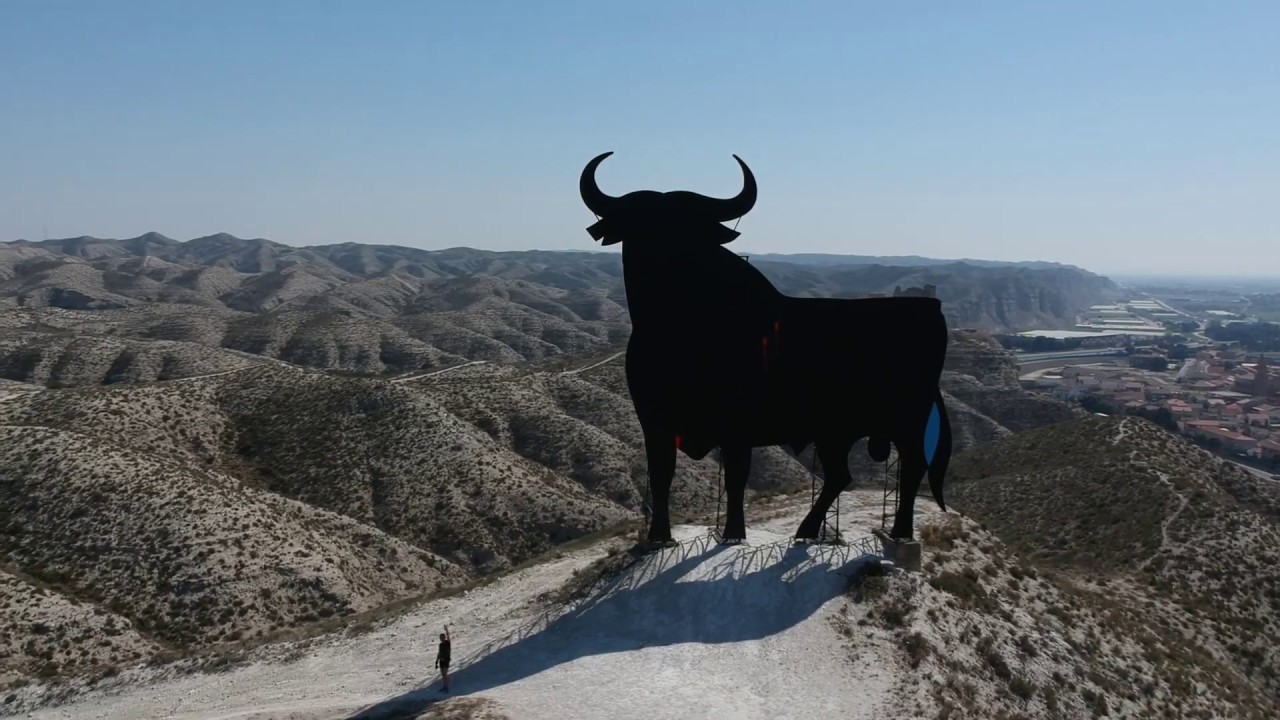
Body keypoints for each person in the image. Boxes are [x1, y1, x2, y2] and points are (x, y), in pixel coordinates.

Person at [434, 625, 451, 692]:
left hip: (446, 660)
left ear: (444, 637)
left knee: (445, 673)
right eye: (440, 638)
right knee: (443, 674)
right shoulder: (440, 645)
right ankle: (444, 686)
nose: (442, 638)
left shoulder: (447, 643)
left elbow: (449, 637)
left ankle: (447, 687)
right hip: (441, 660)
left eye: (443, 637)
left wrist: (446, 630)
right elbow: (439, 653)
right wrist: (436, 661)